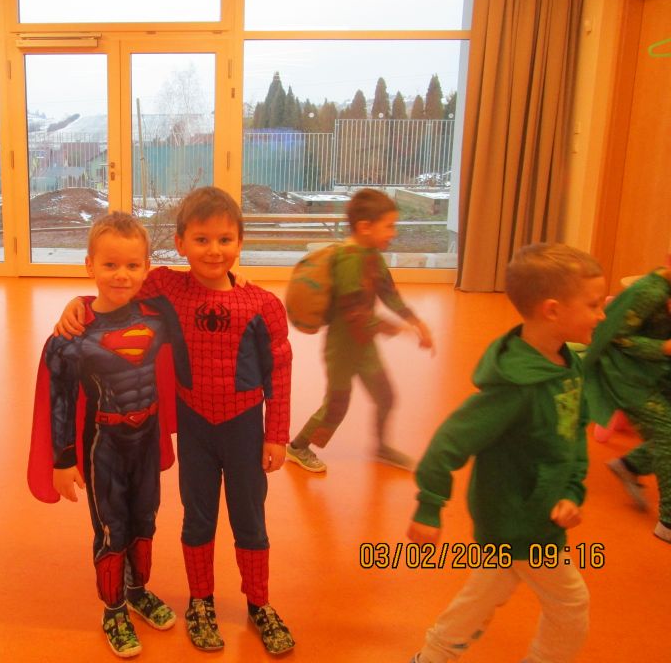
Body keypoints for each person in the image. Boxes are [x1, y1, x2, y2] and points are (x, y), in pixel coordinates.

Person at [55, 187, 296, 656]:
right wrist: (78, 303)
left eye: (225, 239)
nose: (214, 250)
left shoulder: (263, 304)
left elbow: (279, 371)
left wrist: (278, 434)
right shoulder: (167, 287)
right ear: (181, 242)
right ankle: (200, 601)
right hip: (195, 428)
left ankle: (259, 603)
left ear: (240, 242)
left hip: (246, 428)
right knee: (197, 517)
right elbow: (117, 290)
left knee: (250, 520)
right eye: (201, 239)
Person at [406, 243, 606, 663]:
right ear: (552, 310)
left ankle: (433, 656)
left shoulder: (566, 364)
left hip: (537, 511)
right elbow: (449, 442)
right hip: (521, 520)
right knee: (570, 603)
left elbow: (573, 430)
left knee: (487, 591)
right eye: (593, 305)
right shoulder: (514, 390)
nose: (602, 315)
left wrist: (572, 490)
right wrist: (429, 505)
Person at [27, 212, 178, 658]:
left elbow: (197, 298)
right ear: (89, 264)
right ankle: (113, 611)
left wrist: (233, 278)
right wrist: (62, 460)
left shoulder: (160, 321)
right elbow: (59, 401)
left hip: (146, 439)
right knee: (112, 529)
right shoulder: (71, 339)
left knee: (145, 520)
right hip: (104, 445)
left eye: (132, 265)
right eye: (110, 265)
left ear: (146, 268)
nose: (121, 275)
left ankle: (137, 591)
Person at [285, 188, 434, 474]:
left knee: (385, 396)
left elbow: (388, 292)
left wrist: (416, 322)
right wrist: (398, 328)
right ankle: (298, 447)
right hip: (342, 349)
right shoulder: (349, 259)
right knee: (336, 405)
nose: (393, 233)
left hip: (363, 345)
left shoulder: (372, 255)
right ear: (365, 227)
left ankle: (381, 447)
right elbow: (355, 315)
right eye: (389, 226)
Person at [583, 266, 671, 544]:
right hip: (627, 376)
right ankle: (668, 522)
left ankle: (630, 465)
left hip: (655, 373)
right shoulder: (650, 292)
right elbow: (616, 337)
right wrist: (662, 348)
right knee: (668, 435)